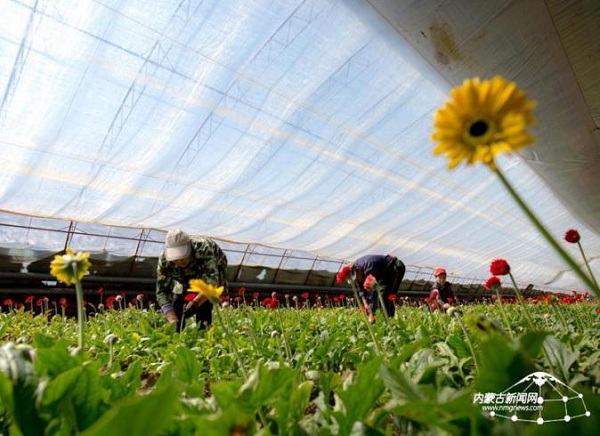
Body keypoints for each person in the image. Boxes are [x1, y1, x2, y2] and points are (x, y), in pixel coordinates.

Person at [156, 229, 228, 332]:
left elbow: (211, 281)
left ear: (189, 248)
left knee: (204, 305)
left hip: (211, 265)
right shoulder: (164, 261)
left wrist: (195, 303)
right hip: (183, 275)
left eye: (183, 255)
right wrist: (171, 316)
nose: (180, 260)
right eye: (176, 257)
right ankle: (177, 333)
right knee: (177, 303)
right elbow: (161, 291)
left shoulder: (203, 249)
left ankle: (204, 332)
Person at [353, 254, 405, 322]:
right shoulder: (355, 272)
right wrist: (365, 304)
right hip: (383, 272)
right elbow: (360, 289)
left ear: (358, 270)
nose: (358, 280)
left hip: (396, 267)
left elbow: (374, 291)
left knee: (385, 295)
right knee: (385, 294)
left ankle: (389, 321)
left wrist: (371, 312)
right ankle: (387, 317)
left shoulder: (369, 266)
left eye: (357, 278)